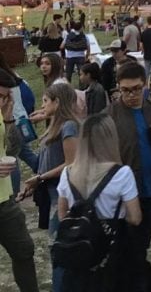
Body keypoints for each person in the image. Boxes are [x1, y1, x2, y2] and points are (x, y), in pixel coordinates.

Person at [56, 113, 142, 292]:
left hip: (80, 251)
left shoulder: (67, 173)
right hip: (112, 252)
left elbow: (62, 214)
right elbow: (135, 218)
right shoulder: (122, 174)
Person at [107, 62, 151, 290]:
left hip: (150, 190)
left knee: (141, 246)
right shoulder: (109, 116)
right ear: (118, 88)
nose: (132, 95)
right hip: (123, 197)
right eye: (125, 90)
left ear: (145, 85)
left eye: (137, 88)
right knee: (125, 249)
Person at [22, 83, 82, 292]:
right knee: (55, 246)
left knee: (59, 247)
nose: (42, 105)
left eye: (46, 101)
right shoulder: (56, 124)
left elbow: (71, 163)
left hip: (62, 194)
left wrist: (40, 177)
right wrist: (36, 182)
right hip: (50, 191)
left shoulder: (68, 127)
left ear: (58, 102)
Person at [0, 68, 39, 292]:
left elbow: (13, 149)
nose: (4, 100)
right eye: (1, 96)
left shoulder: (3, 112)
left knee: (24, 250)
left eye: (7, 96)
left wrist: (7, 119)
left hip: (5, 200)